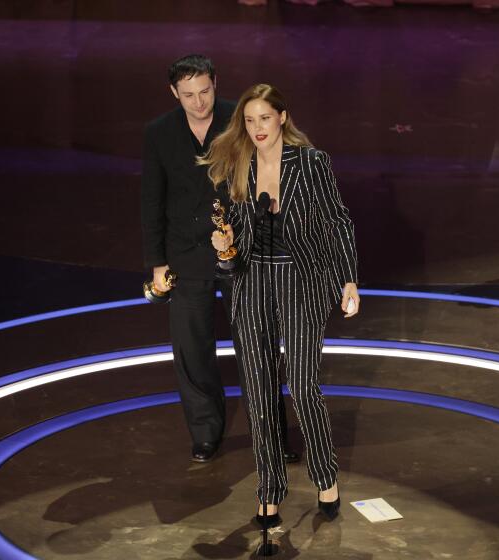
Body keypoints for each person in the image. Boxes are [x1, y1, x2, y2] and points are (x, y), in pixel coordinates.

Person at [204, 84, 360, 526]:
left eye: (264, 119)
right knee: (257, 390)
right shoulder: (237, 164)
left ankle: (325, 478)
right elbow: (232, 238)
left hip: (301, 278)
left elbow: (337, 220)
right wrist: (224, 247)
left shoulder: (311, 163)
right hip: (252, 280)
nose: (256, 128)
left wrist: (348, 278)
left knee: (303, 384)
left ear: (282, 118)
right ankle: (269, 490)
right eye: (249, 121)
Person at [141, 56, 298, 463]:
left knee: (256, 346)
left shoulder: (240, 118)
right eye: (188, 95)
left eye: (205, 91)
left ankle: (273, 435)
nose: (199, 102)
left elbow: (270, 170)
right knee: (192, 350)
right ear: (174, 93)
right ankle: (206, 432)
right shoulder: (158, 133)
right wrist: (157, 261)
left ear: (216, 83)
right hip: (185, 254)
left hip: (240, 250)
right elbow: (152, 199)